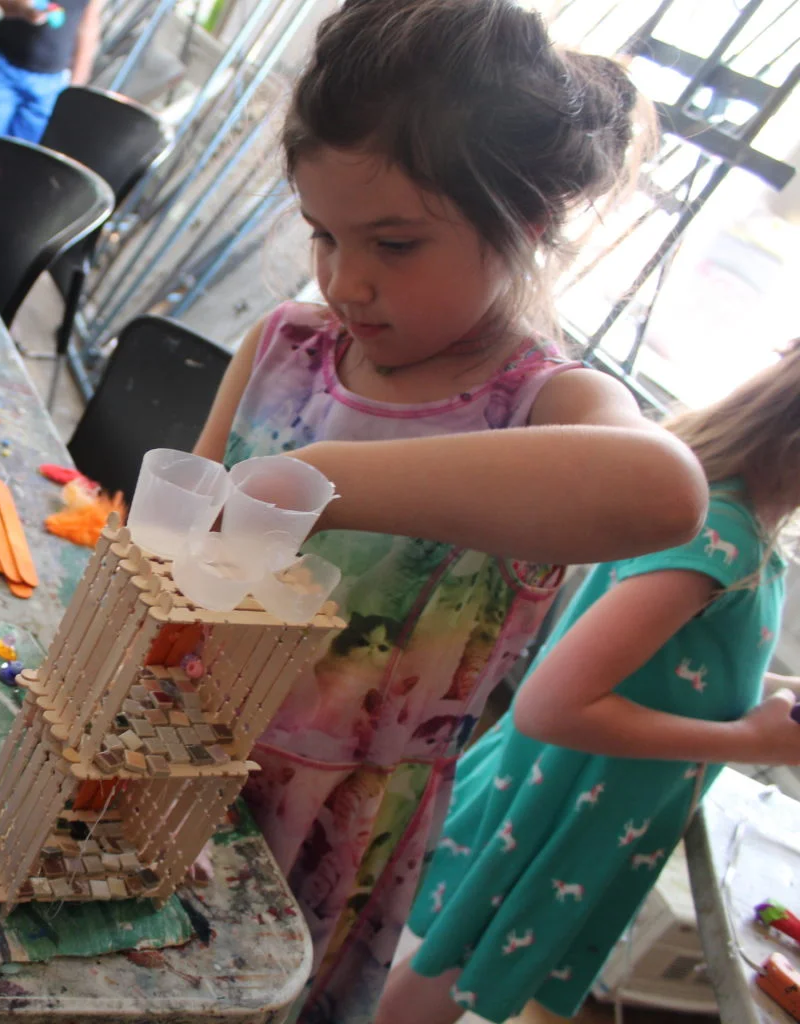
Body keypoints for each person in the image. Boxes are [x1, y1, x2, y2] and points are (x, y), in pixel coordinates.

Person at [189, 1, 709, 1020]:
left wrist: (327, 480)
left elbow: (665, 489)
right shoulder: (283, 349)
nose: (345, 280)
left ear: (526, 221)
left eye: (395, 241)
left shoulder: (543, 409)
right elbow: (175, 551)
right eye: (323, 234)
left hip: (334, 833)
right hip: (184, 757)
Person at [381, 341, 800, 1024]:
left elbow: (687, 667)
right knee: (430, 980)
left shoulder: (749, 526)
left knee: (442, 964)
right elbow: (552, 704)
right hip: (562, 806)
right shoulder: (723, 535)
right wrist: (750, 740)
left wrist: (771, 691)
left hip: (583, 803)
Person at [0, 0, 104, 201]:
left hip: (50, 83)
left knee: (15, 160)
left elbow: (88, 25)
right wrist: (21, 8)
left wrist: (77, 83)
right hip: (4, 68)